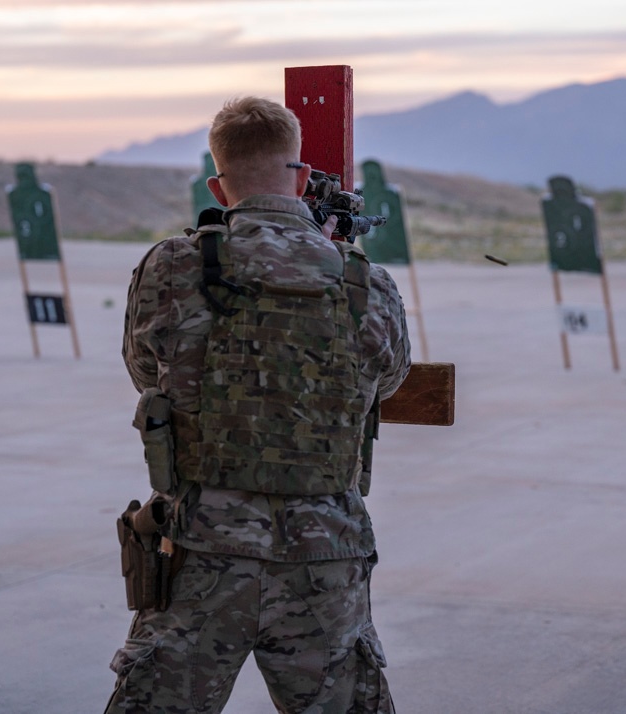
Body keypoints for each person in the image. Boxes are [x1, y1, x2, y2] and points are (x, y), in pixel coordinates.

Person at [104, 96, 411, 714]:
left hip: (201, 553)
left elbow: (144, 373)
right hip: (324, 557)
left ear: (217, 184)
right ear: (300, 178)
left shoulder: (171, 266)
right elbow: (388, 382)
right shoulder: (366, 284)